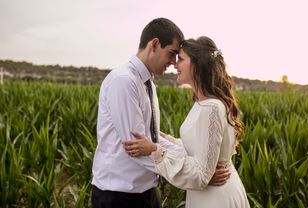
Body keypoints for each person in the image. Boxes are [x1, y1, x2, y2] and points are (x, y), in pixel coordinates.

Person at [91, 19, 230, 208]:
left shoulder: (149, 84)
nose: (173, 63)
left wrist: (201, 168)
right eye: (172, 54)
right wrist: (196, 174)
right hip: (119, 195)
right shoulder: (124, 81)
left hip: (146, 191)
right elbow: (136, 149)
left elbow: (150, 142)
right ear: (154, 44)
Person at [123, 36, 250, 207]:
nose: (175, 64)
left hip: (214, 197)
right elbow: (199, 148)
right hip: (212, 193)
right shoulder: (205, 103)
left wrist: (154, 150)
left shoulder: (210, 108)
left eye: (181, 59)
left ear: (197, 65)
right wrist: (166, 138)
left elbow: (201, 174)